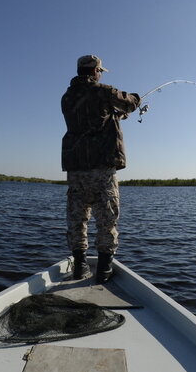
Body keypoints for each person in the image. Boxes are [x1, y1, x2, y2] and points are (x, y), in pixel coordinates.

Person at [61, 55, 140, 283]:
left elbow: (93, 117)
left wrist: (116, 115)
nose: (101, 74)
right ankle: (104, 269)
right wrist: (134, 98)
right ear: (95, 70)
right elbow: (130, 103)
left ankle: (80, 267)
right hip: (102, 169)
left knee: (77, 218)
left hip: (76, 170)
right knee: (107, 219)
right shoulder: (104, 91)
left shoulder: (66, 98)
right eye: (100, 71)